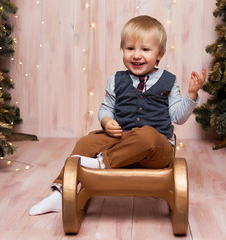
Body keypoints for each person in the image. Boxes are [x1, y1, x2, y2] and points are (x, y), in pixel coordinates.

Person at [29, 15, 206, 215]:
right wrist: (106, 121)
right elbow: (106, 107)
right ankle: (60, 194)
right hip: (123, 140)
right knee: (87, 142)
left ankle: (102, 163)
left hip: (156, 149)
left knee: (146, 134)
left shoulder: (168, 81)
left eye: (145, 50)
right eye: (130, 49)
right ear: (123, 50)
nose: (136, 55)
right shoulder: (116, 79)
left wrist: (191, 95)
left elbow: (177, 117)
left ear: (160, 54)